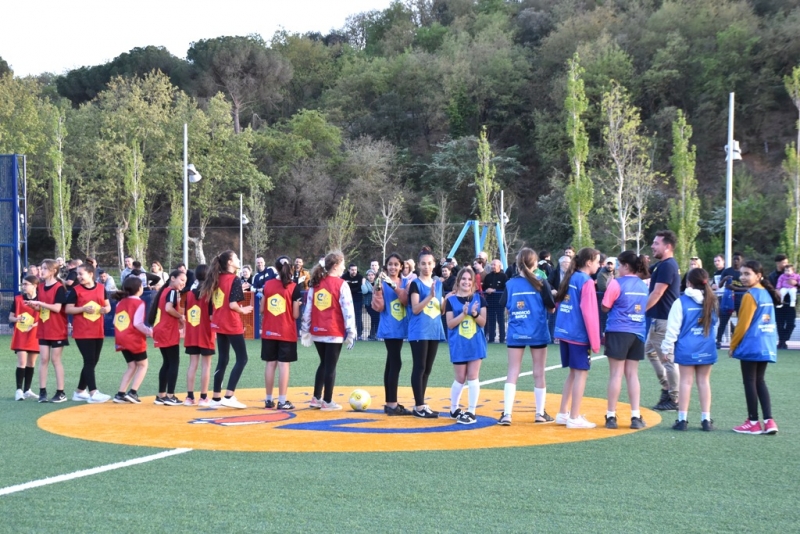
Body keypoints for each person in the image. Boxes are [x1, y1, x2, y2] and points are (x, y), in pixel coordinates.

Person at [498, 248, 556, 426]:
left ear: (517, 263)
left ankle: (507, 414)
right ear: (534, 263)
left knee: (512, 372)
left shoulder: (511, 284)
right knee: (539, 372)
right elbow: (551, 307)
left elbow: (505, 307)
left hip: (517, 332)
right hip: (537, 332)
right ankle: (539, 413)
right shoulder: (541, 281)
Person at [662, 268, 719, 431]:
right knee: (704, 382)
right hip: (707, 347)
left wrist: (666, 348)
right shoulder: (712, 300)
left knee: (685, 382)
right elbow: (715, 323)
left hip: (686, 348)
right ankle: (706, 420)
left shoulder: (681, 302)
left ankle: (682, 420)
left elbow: (673, 329)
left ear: (688, 283)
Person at [300, 251, 357, 411]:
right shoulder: (341, 284)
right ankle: (327, 401)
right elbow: (348, 310)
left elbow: (308, 308)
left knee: (324, 364)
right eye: (343, 264)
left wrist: (305, 329)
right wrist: (351, 331)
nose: (345, 267)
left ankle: (316, 398)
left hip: (317, 331)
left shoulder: (316, 283)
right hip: (333, 331)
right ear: (336, 266)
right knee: (330, 366)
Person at [730, 260, 781, 435]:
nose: (742, 277)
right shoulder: (766, 293)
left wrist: (733, 345)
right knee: (760, 381)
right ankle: (769, 420)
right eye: (741, 274)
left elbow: (743, 325)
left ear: (758, 276)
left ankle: (753, 422)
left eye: (747, 274)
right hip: (766, 344)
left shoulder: (750, 295)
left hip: (752, 344)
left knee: (750, 382)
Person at [553, 247, 601, 429]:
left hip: (565, 332)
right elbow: (589, 313)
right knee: (580, 374)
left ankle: (563, 413)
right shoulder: (586, 281)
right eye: (597, 261)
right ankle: (574, 417)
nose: (598, 264)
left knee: (573, 374)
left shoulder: (571, 277)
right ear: (589, 262)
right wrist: (596, 341)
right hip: (578, 335)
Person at [601, 251, 649, 430]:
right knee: (632, 374)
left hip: (618, 330)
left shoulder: (616, 283)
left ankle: (611, 416)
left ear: (626, 266)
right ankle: (635, 416)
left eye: (620, 265)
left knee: (615, 374)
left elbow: (605, 306)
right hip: (637, 332)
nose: (618, 268)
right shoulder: (643, 285)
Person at [202, 250, 253, 409]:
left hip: (218, 322)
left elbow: (217, 300)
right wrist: (243, 310)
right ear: (230, 262)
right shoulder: (234, 279)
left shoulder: (217, 278)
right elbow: (232, 304)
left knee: (223, 359)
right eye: (236, 258)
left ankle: (216, 398)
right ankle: (229, 396)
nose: (238, 259)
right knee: (242, 358)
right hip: (231, 323)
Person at [644, 230, 682, 411]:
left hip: (664, 321)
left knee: (668, 360)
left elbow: (658, 292)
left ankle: (674, 398)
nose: (652, 246)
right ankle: (667, 388)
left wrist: (637, 311)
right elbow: (643, 274)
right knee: (650, 352)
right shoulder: (662, 265)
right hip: (657, 321)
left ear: (667, 247)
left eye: (656, 243)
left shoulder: (668, 265)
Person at [445, 267, 487, 425]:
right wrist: (463, 314)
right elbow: (450, 324)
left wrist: (474, 314)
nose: (466, 282)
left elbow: (483, 322)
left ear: (473, 282)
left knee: (473, 376)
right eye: (463, 279)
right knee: (460, 378)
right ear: (458, 281)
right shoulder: (450, 301)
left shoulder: (479, 299)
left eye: (470, 279)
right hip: (459, 344)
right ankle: (454, 409)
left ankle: (471, 411)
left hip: (475, 344)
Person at [407, 247, 446, 419]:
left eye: (429, 263)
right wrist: (429, 296)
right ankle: (419, 405)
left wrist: (450, 299)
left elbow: (442, 309)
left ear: (434, 265)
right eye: (423, 263)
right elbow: (415, 309)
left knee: (427, 369)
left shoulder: (438, 284)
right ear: (418, 265)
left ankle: (421, 403)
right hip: (419, 332)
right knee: (419, 367)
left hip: (434, 331)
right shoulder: (415, 284)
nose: (426, 266)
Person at [65, 263, 112, 403]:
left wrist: (106, 309)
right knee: (89, 361)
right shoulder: (76, 290)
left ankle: (79, 391)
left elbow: (107, 305)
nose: (78, 277)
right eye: (78, 274)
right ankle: (93, 392)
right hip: (82, 331)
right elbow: (68, 309)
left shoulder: (101, 288)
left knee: (93, 361)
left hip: (98, 330)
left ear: (91, 274)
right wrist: (83, 309)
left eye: (81, 274)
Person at [371, 253, 411, 416]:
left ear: (401, 266)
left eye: (396, 264)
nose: (393, 267)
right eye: (390, 264)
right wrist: (379, 290)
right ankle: (392, 404)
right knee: (396, 362)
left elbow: (405, 300)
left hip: (402, 327)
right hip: (389, 328)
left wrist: (393, 285)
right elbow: (378, 307)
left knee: (391, 363)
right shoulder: (380, 283)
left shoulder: (406, 282)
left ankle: (390, 403)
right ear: (386, 267)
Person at [261, 256, 302, 410]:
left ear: (276, 268)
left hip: (269, 330)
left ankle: (268, 399)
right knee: (284, 365)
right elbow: (295, 315)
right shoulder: (293, 287)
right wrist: (297, 304)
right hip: (286, 331)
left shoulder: (267, 285)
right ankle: (283, 401)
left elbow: (261, 309)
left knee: (270, 364)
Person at [29, 259, 69, 403]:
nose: (42, 271)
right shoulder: (40, 286)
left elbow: (57, 308)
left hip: (57, 328)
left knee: (55, 359)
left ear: (53, 271)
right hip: (44, 327)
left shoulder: (59, 287)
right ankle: (42, 392)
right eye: (41, 268)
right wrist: (35, 306)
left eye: (45, 268)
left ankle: (61, 392)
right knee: (44, 359)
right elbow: (43, 308)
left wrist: (39, 303)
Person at [111, 277, 153, 404]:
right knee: (143, 365)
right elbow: (138, 323)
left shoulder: (120, 302)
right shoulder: (139, 303)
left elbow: (115, 321)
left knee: (131, 366)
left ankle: (120, 394)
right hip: (133, 338)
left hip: (121, 338)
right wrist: (150, 331)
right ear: (139, 289)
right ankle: (133, 393)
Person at [149, 269, 186, 406]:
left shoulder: (164, 291)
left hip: (160, 329)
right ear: (172, 278)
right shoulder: (171, 291)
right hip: (167, 330)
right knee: (173, 362)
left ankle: (161, 395)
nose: (183, 283)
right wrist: (181, 317)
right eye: (181, 280)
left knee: (167, 362)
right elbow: (168, 308)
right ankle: (170, 395)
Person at [183, 264, 215, 407]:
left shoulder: (189, 294)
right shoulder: (210, 293)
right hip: (206, 334)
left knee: (192, 365)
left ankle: (189, 397)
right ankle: (203, 397)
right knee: (206, 366)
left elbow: (186, 314)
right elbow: (210, 316)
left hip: (192, 333)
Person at [10, 276, 40, 401]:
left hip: (35, 334)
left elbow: (44, 318)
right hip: (21, 334)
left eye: (26, 284)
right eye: (23, 284)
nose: (23, 286)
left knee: (31, 363)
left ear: (34, 285)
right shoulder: (18, 299)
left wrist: (33, 325)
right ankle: (19, 390)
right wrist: (16, 319)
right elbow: (11, 317)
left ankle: (27, 390)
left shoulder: (41, 300)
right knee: (22, 362)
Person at [717, 252, 746, 348]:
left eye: (738, 259)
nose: (736, 261)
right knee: (723, 320)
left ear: (741, 260)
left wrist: (734, 288)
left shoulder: (743, 273)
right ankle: (718, 340)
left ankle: (740, 341)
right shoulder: (727, 271)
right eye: (734, 259)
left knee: (741, 320)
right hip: (728, 300)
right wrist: (724, 279)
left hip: (740, 299)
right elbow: (720, 286)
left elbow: (747, 288)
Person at [768, 254, 795, 349]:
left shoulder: (792, 274)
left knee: (791, 324)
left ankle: (784, 339)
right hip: (778, 303)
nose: (786, 265)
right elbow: (769, 288)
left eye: (787, 262)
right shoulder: (772, 276)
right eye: (784, 263)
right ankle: (781, 342)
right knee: (780, 323)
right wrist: (775, 291)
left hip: (790, 303)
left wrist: (796, 284)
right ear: (778, 263)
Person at [482, 259, 508, 344]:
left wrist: (495, 290)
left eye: (494, 265)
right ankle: (491, 338)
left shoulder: (504, 276)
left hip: (499, 302)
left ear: (499, 266)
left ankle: (502, 338)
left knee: (501, 320)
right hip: (490, 301)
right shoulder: (488, 276)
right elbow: (484, 287)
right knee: (491, 320)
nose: (493, 266)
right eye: (492, 265)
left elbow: (505, 288)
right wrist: (487, 290)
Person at [342, 264, 366, 340]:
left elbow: (359, 288)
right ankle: (345, 333)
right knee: (345, 315)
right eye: (352, 270)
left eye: (355, 270)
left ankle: (359, 334)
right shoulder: (344, 277)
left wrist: (349, 290)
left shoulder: (360, 277)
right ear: (349, 270)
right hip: (346, 299)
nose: (354, 271)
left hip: (357, 299)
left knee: (357, 316)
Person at [363, 270, 380, 340]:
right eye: (369, 275)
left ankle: (374, 334)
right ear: (367, 276)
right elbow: (365, 291)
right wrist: (363, 283)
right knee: (374, 318)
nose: (371, 276)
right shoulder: (365, 283)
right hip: (369, 304)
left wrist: (372, 290)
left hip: (377, 303)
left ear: (374, 276)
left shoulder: (377, 282)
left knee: (377, 318)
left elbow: (378, 290)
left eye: (372, 275)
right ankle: (373, 334)